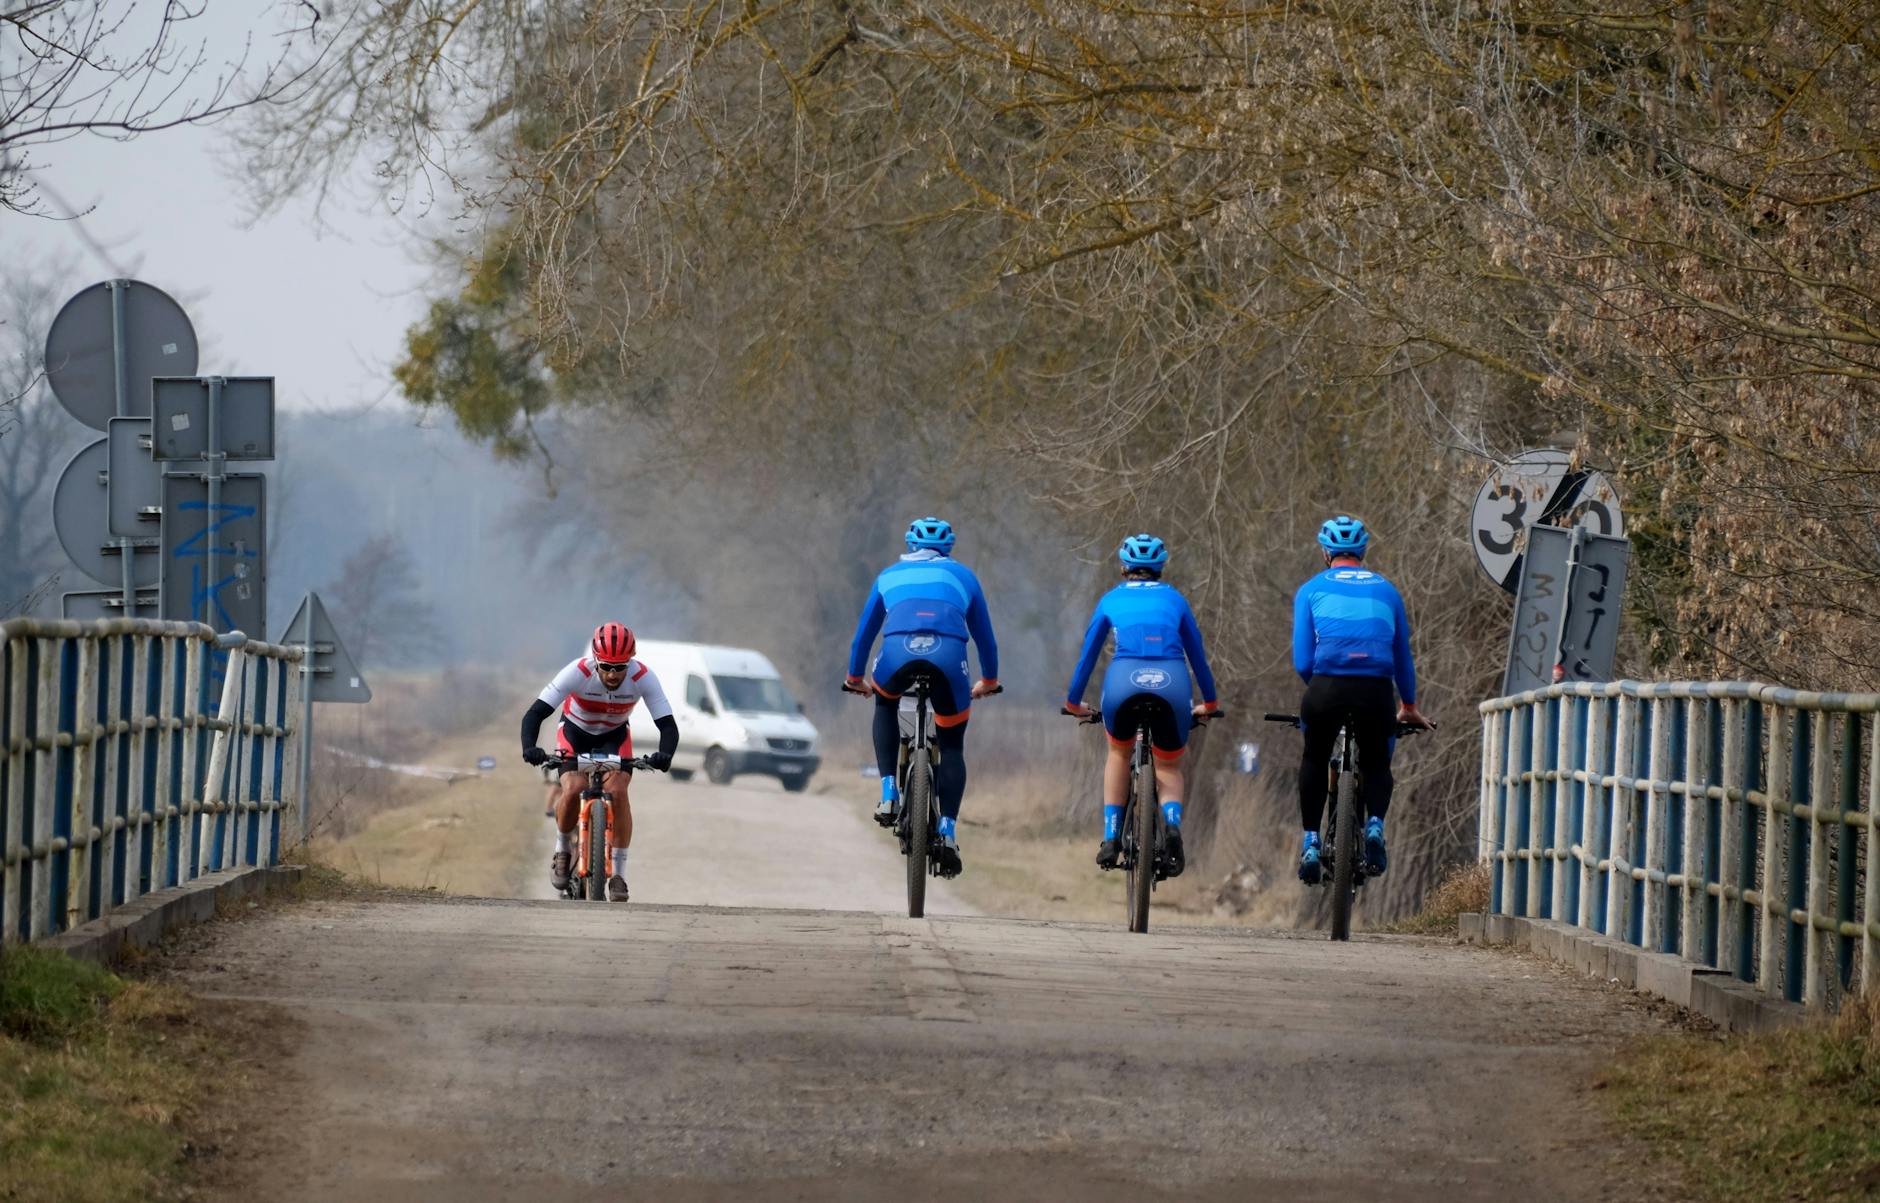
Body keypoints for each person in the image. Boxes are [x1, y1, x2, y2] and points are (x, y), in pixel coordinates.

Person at [843, 517, 1000, 878]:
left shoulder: (888, 575)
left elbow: (863, 638)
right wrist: (989, 680)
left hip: (897, 655)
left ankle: (888, 792)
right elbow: (986, 640)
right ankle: (947, 830)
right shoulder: (965, 577)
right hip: (949, 660)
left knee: (885, 702)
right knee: (953, 743)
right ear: (948, 547)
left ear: (910, 545)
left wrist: (855, 678)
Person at [1063, 533, 1220, 877]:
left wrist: (1073, 701)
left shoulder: (1110, 600)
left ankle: (1109, 837)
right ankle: (1174, 826)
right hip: (1172, 684)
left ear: (1123, 567)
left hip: (1123, 682)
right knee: (1169, 765)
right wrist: (1210, 701)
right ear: (1160, 567)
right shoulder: (1176, 600)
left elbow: (1087, 657)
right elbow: (1198, 656)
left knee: (1118, 753)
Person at [1291, 516, 1432, 885]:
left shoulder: (1310, 589)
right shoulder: (1387, 590)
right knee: (1378, 761)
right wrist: (1410, 706)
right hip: (1376, 692)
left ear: (1325, 552)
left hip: (1326, 689)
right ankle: (1374, 826)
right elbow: (1402, 657)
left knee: (1314, 756)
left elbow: (1303, 661)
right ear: (1363, 551)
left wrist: (1320, 687)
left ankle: (1310, 841)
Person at [520, 622, 678, 902]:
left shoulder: (643, 676)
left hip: (614, 737)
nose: (613, 674)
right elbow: (534, 715)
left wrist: (664, 754)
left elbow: (667, 725)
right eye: (606, 666)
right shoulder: (576, 672)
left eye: (620, 667)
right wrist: (530, 748)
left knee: (618, 791)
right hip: (574, 733)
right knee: (572, 787)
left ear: (630, 661)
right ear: (595, 660)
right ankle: (563, 849)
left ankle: (618, 875)